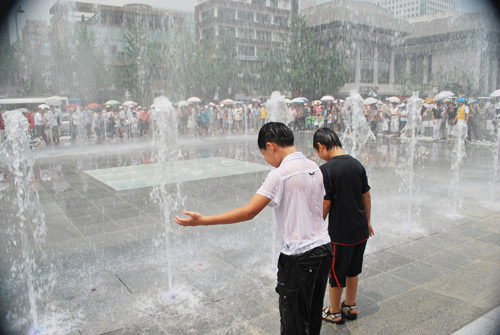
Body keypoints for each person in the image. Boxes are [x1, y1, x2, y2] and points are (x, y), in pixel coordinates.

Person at [175, 122, 332, 335]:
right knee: (312, 315)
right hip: (323, 249)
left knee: (294, 322)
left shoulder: (280, 174)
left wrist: (203, 220)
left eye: (264, 155)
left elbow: (249, 212)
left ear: (271, 146)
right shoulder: (314, 166)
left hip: (299, 256)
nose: (268, 162)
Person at [312, 127, 374, 325]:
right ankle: (351, 305)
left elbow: (326, 203)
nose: (319, 156)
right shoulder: (357, 164)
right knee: (353, 269)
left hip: (341, 233)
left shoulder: (327, 169)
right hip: (360, 230)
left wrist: (315, 227)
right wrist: (368, 222)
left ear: (321, 146)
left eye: (317, 151)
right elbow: (367, 195)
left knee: (336, 272)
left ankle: (335, 311)